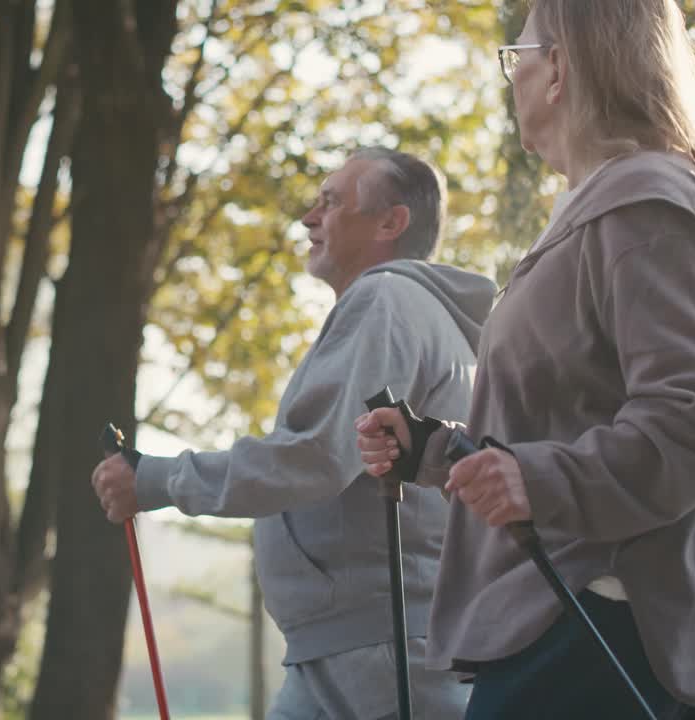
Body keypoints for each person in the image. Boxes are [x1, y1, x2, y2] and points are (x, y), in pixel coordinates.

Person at [355, 2, 695, 718]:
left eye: (515, 56)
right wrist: (435, 451)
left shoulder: (646, 206)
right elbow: (565, 419)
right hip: (568, 615)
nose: (512, 76)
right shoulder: (599, 211)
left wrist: (538, 480)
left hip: (603, 622)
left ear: (557, 69)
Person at [91, 147, 496, 719]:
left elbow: (315, 456)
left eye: (330, 202)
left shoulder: (385, 300)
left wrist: (155, 479)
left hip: (376, 655)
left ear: (390, 222)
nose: (309, 218)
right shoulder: (415, 313)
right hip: (359, 649)